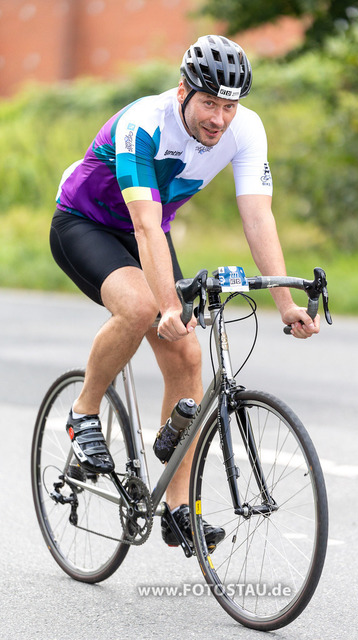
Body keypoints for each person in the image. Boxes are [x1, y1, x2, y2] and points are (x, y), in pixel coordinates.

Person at [50, 34, 320, 550]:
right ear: (183, 92)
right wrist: (168, 305)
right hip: (86, 224)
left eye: (229, 106)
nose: (219, 119)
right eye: (209, 104)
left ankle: (177, 509)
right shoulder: (143, 124)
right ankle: (83, 412)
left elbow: (258, 217)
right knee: (141, 308)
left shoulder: (247, 130)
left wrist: (285, 303)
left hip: (151, 231)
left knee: (187, 355)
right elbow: (146, 226)